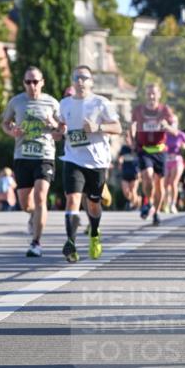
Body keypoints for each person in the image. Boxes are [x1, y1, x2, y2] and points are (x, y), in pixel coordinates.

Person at [57, 65, 121, 262]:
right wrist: (57, 130)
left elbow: (118, 127)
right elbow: (61, 126)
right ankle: (71, 243)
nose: (80, 81)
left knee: (93, 205)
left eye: (84, 77)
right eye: (77, 77)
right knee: (72, 199)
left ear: (91, 82)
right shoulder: (65, 103)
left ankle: (94, 233)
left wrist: (97, 127)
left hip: (96, 162)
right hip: (73, 159)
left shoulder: (101, 103)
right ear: (72, 81)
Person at [1, 66, 60, 257]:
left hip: (45, 155)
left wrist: (55, 125)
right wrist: (12, 131)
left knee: (41, 197)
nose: (32, 85)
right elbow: (5, 123)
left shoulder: (52, 103)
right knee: (26, 204)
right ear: (24, 83)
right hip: (22, 156)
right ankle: (33, 214)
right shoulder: (16, 102)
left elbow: (63, 129)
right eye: (28, 82)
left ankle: (36, 242)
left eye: (35, 81)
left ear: (42, 82)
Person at [131, 82, 177, 226]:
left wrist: (167, 126)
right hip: (144, 149)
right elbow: (132, 126)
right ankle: (148, 202)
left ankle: (156, 212)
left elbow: (175, 131)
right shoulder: (138, 110)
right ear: (145, 95)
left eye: (154, 93)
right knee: (147, 176)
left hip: (160, 150)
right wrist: (132, 137)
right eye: (149, 94)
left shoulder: (165, 110)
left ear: (159, 95)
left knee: (159, 184)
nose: (151, 96)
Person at [162, 126, 185, 213]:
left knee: (173, 183)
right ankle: (166, 203)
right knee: (165, 184)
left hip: (177, 160)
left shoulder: (181, 134)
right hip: (167, 160)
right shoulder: (164, 134)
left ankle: (173, 204)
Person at [116, 130, 140, 210]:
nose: (126, 138)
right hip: (125, 172)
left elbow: (141, 159)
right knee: (126, 192)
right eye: (125, 136)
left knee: (133, 190)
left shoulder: (137, 148)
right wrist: (120, 161)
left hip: (135, 173)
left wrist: (140, 172)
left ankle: (133, 205)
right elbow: (119, 157)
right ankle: (137, 200)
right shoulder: (124, 148)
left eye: (128, 136)